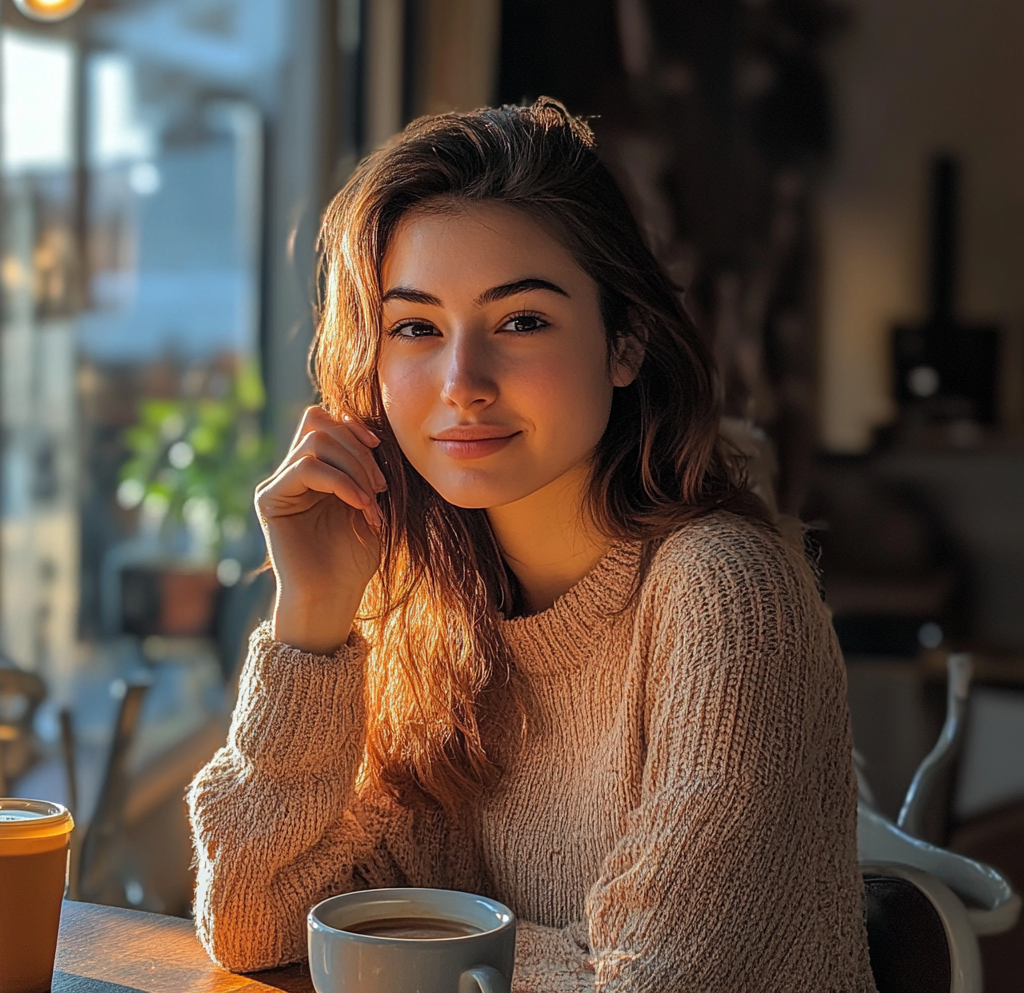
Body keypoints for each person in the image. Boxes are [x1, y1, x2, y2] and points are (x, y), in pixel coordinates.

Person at [187, 98, 877, 992]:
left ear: (624, 344)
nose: (461, 383)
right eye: (416, 327)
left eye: (521, 322)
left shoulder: (723, 592)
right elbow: (252, 922)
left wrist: (419, 945)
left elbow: (654, 984)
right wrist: (312, 621)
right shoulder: (428, 615)